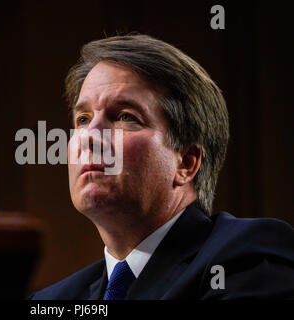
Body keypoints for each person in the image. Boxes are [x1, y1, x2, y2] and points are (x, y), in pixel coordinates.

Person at [29, 34, 294, 300]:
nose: (89, 136)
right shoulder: (51, 301)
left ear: (186, 163)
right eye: (83, 119)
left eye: (124, 117)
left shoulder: (246, 258)